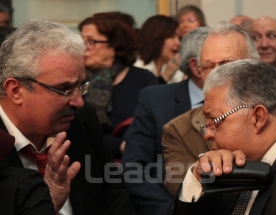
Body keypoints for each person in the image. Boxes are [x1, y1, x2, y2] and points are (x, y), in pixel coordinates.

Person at [0, 19, 131, 215]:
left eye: (81, 87)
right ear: (16, 90)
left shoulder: (80, 119)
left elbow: (114, 196)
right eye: (64, 89)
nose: (78, 102)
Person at [171, 59, 276, 214]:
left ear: (258, 118)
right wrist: (198, 181)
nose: (207, 134)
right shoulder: (230, 165)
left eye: (214, 121)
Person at [162, 21, 260, 196]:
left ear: (254, 67)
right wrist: (198, 173)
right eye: (208, 67)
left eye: (227, 65)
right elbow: (181, 188)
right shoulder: (179, 130)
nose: (216, 75)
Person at [122, 26, 210, 215]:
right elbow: (134, 169)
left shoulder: (249, 103)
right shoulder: (155, 100)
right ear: (197, 67)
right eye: (228, 63)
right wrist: (172, 210)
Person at [79, 13, 157, 159]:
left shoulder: (143, 79)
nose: (84, 48)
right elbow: (77, 132)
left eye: (91, 42)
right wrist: (118, 145)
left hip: (135, 163)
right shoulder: (77, 80)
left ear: (114, 47)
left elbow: (152, 129)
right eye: (81, 41)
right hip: (85, 160)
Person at [134, 15, 184, 84]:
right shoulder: (137, 69)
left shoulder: (176, 70)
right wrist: (165, 77)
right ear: (156, 38)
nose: (178, 43)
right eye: (172, 37)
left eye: (179, 38)